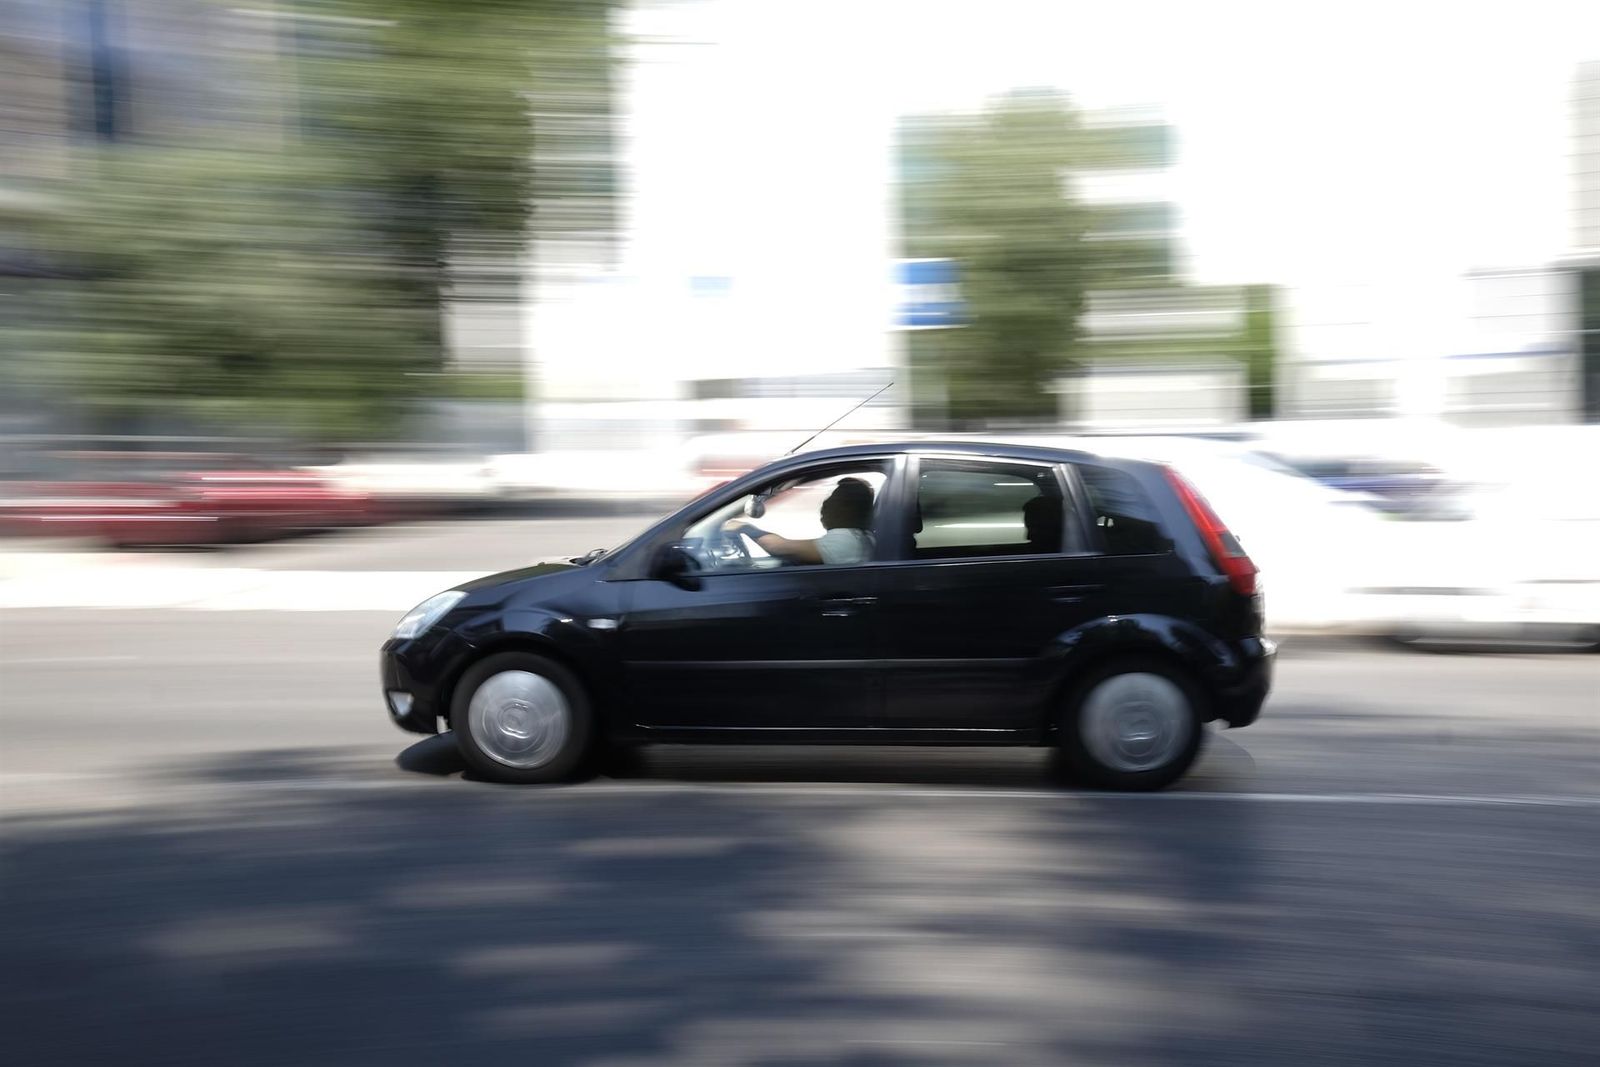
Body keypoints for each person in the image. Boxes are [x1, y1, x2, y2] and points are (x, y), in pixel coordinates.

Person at [723, 476, 875, 565]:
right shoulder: (861, 537)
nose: (824, 504)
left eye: (834, 499)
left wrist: (743, 527)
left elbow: (777, 546)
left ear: (848, 509)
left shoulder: (847, 540)